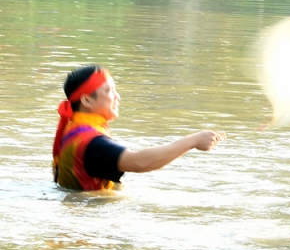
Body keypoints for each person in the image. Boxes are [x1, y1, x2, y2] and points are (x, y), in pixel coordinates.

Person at [52, 65, 224, 192]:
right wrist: (193, 140)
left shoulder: (72, 130)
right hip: (91, 228)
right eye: (109, 91)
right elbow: (139, 161)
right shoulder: (93, 143)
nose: (117, 96)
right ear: (87, 101)